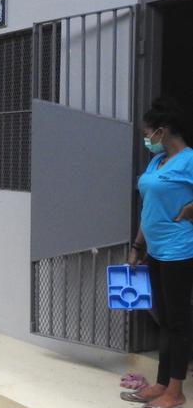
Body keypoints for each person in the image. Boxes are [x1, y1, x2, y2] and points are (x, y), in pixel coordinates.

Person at [125, 97, 193, 408]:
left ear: (163, 132)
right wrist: (138, 246)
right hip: (155, 250)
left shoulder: (189, 160)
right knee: (164, 320)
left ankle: (176, 392)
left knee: (177, 322)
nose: (146, 139)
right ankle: (163, 383)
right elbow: (148, 207)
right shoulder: (157, 161)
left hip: (180, 251)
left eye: (148, 133)